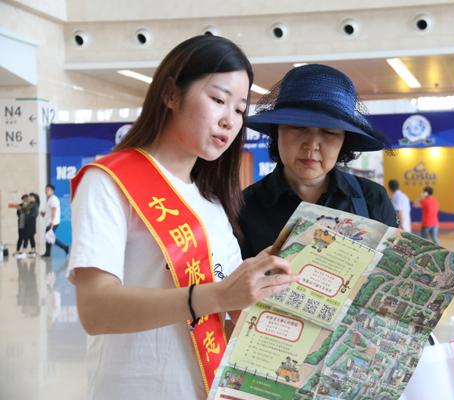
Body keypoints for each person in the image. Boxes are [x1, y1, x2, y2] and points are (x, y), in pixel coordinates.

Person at [67, 35, 297, 399]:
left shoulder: (211, 201)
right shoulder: (109, 182)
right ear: (171, 94)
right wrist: (216, 296)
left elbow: (229, 308)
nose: (229, 120)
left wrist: (259, 285)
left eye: (240, 110)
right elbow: (96, 311)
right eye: (218, 100)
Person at [238, 64, 397, 258]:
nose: (312, 145)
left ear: (344, 141)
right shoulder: (243, 207)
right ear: (276, 131)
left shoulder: (372, 199)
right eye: (298, 127)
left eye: (329, 132)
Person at [40, 184, 69, 257]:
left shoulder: (53, 199)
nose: (46, 191)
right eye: (45, 190)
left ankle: (65, 247)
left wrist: (52, 222)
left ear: (52, 191)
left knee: (49, 237)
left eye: (48, 190)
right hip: (49, 221)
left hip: (53, 222)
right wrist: (43, 214)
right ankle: (48, 253)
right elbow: (48, 212)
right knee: (48, 237)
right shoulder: (48, 199)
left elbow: (54, 211)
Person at [14, 194, 30, 258]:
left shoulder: (30, 205)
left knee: (26, 237)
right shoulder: (20, 205)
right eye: (24, 199)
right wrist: (20, 210)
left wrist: (22, 210)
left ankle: (24, 251)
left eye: (26, 198)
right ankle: (17, 250)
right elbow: (18, 214)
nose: (25, 200)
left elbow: (28, 214)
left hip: (27, 222)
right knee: (20, 236)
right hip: (21, 221)